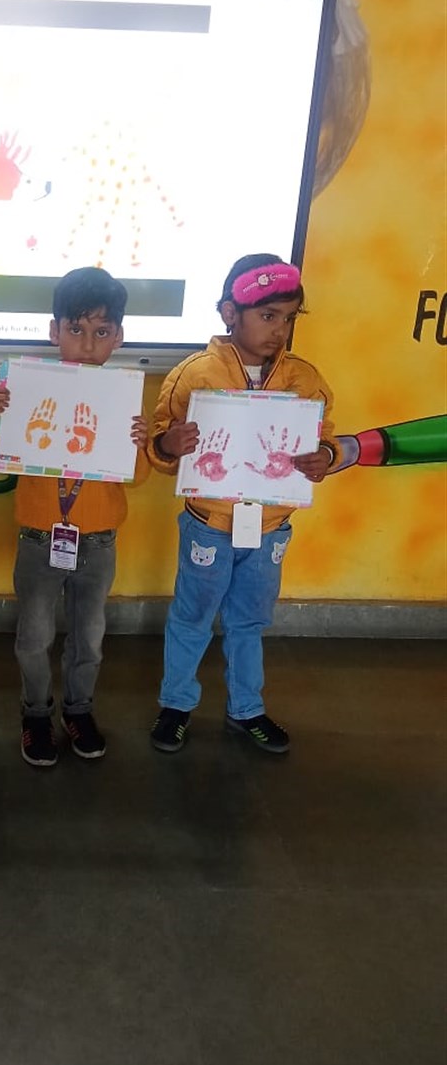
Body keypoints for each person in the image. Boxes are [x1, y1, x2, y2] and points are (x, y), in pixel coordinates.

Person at [148, 254, 340, 755]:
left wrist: (324, 455)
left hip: (271, 526)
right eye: (268, 316)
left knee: (250, 621)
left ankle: (246, 708)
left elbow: (325, 435)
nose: (279, 330)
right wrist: (169, 443)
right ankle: (176, 705)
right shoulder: (195, 374)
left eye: (289, 318)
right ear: (230, 312)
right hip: (208, 524)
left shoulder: (304, 378)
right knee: (192, 617)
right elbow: (158, 443)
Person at [0, 266, 150, 767]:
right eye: (75, 329)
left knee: (89, 637)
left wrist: (138, 443)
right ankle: (35, 714)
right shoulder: (28, 389)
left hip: (99, 540)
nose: (87, 345)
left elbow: (137, 476)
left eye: (101, 332)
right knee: (34, 636)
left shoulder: (121, 397)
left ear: (118, 336)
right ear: (54, 331)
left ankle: (79, 709)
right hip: (38, 537)